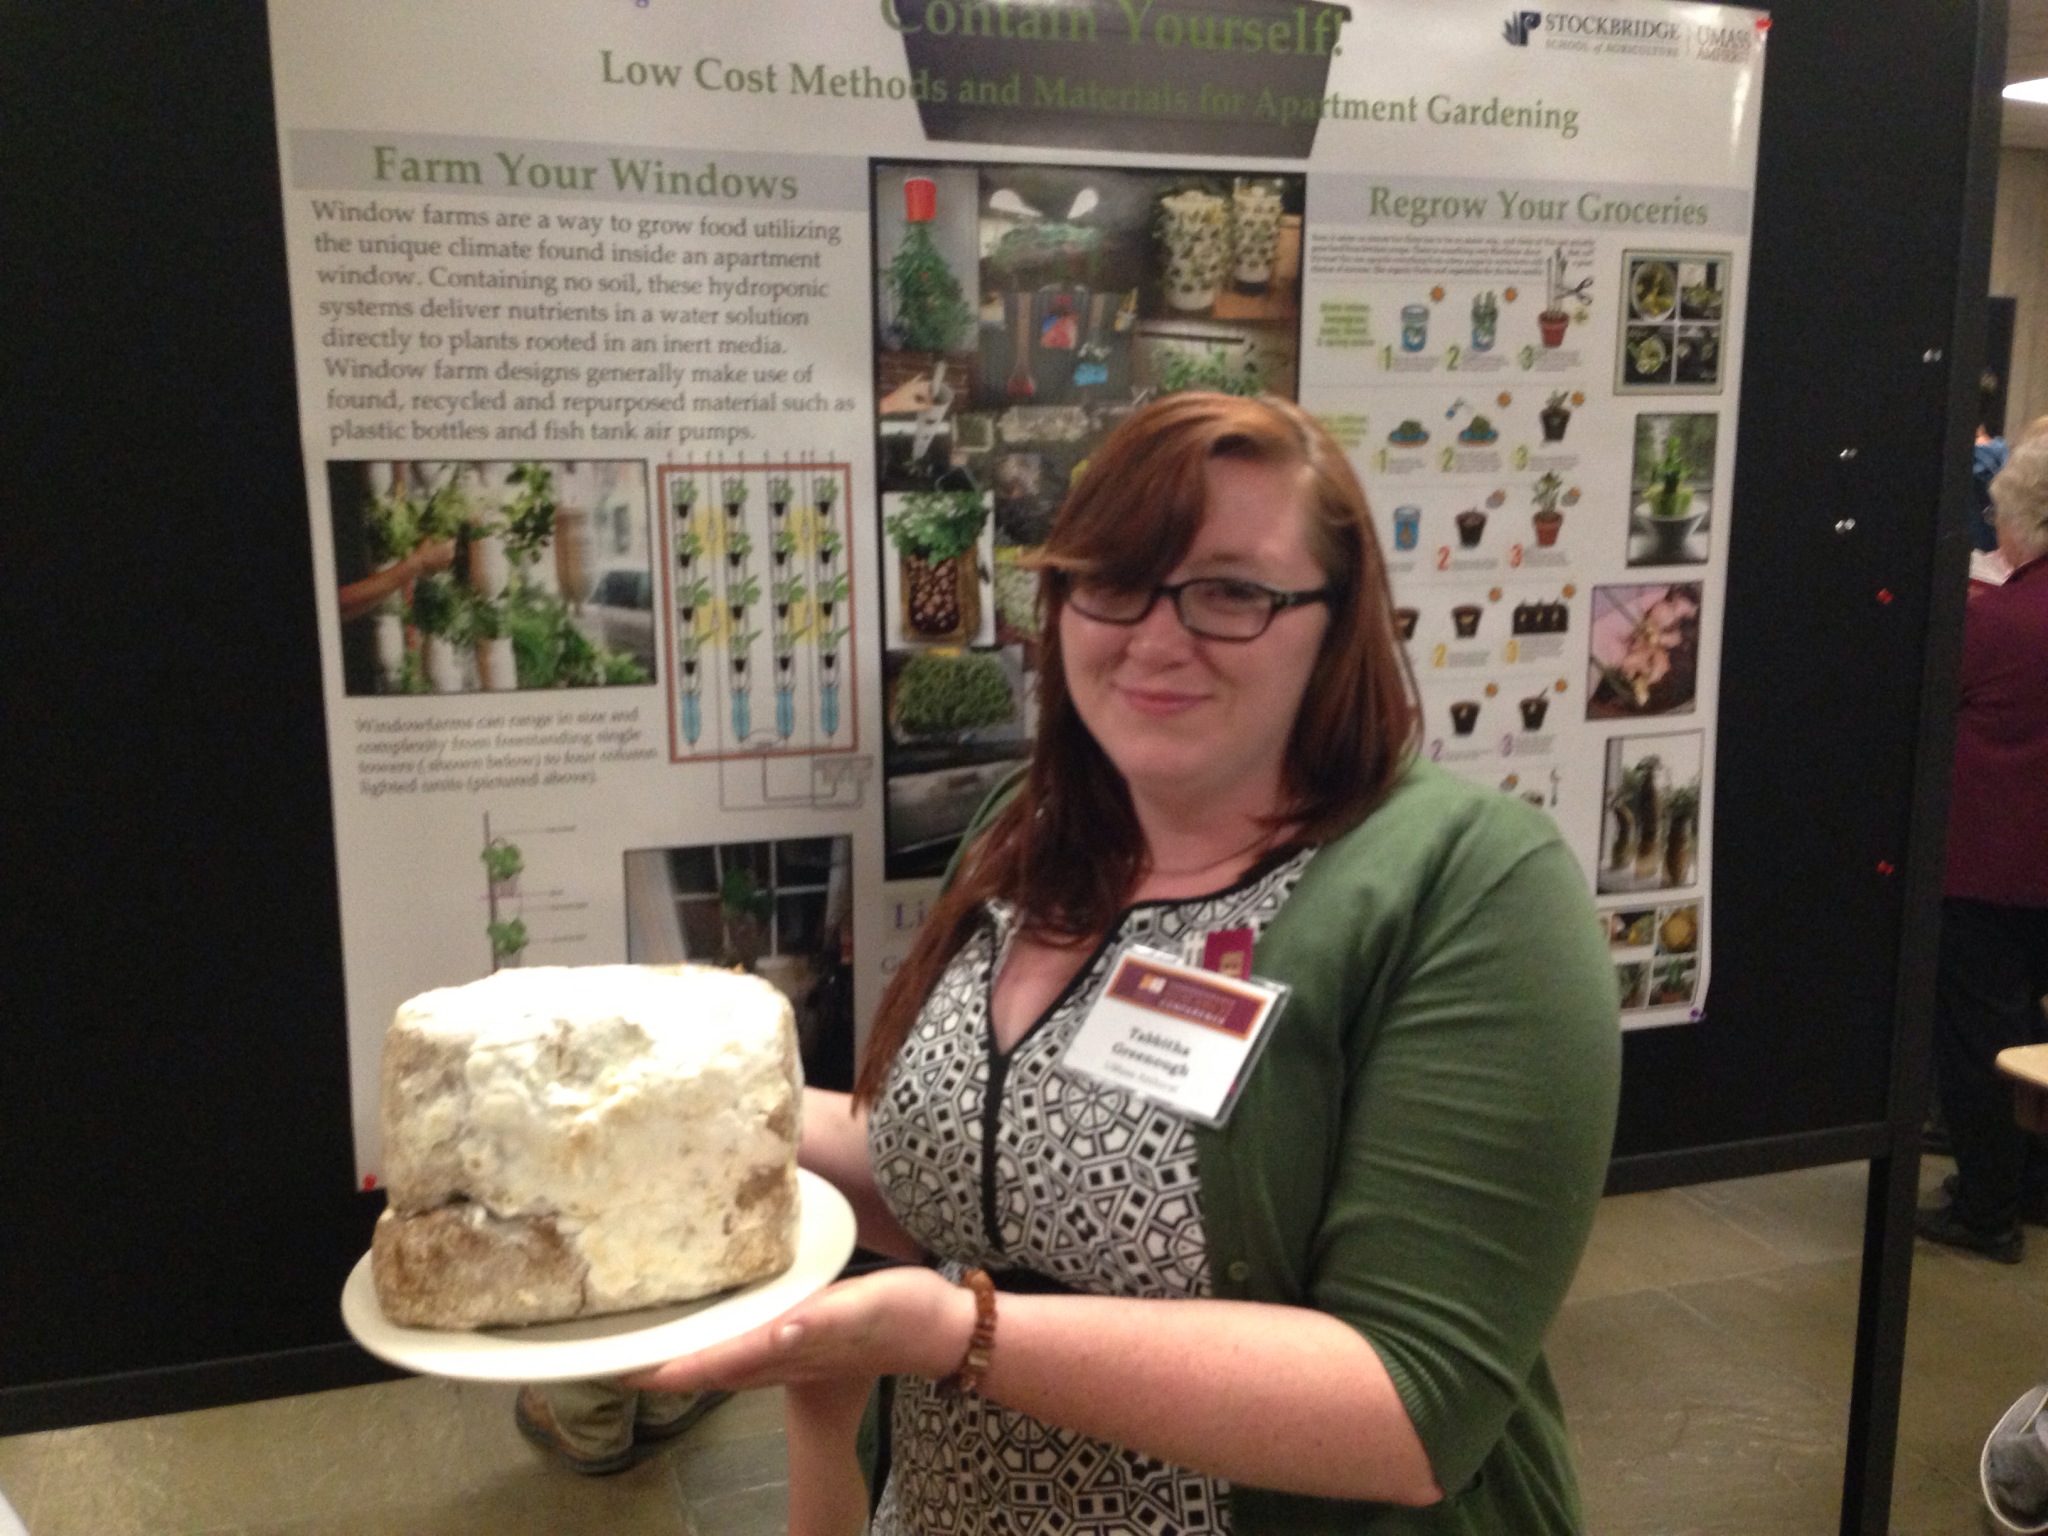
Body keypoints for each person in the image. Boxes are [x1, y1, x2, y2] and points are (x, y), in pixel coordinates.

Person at [633, 393, 1622, 1533]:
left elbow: (1413, 1407)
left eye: (1230, 592)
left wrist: (960, 1336)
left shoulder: (1471, 888)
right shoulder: (1024, 832)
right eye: (1111, 582)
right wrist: (684, 1101)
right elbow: (970, 1178)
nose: (1155, 639)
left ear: (1336, 619)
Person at [1918, 434, 2048, 1262]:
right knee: (2032, 1034)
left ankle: (1988, 1208)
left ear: (2026, 521)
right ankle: (2031, 1184)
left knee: (1979, 1042)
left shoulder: (1996, 622)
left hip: (1986, 867)